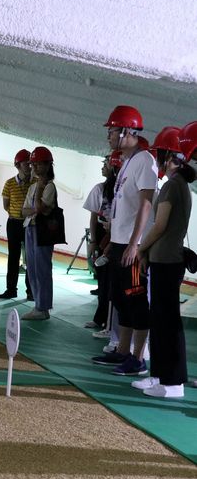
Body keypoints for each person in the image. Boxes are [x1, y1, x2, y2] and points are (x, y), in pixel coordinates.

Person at [91, 106, 157, 376]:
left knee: (136, 300)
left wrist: (134, 243)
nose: (109, 135)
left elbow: (145, 204)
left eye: (112, 130)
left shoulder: (144, 161)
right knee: (120, 299)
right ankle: (122, 351)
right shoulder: (128, 163)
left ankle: (138, 358)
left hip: (133, 246)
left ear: (128, 131)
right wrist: (113, 242)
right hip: (120, 243)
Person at [133, 127, 193, 398]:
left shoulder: (172, 185)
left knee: (166, 322)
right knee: (162, 321)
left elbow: (159, 226)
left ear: (168, 156)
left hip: (166, 262)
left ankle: (171, 382)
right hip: (166, 260)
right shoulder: (180, 185)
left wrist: (140, 248)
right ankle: (162, 376)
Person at [82, 151, 121, 330]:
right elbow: (93, 217)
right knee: (103, 280)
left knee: (114, 282)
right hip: (103, 237)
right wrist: (93, 241)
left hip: (118, 237)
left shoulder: (122, 190)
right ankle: (101, 318)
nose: (103, 167)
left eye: (106, 163)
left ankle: (111, 322)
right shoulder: (100, 189)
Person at [20, 146, 58, 320]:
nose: (34, 167)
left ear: (48, 165)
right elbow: (24, 211)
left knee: (42, 268)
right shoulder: (33, 186)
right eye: (32, 164)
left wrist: (37, 202)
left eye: (38, 164)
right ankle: (38, 304)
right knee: (32, 269)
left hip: (42, 231)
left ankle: (43, 307)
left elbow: (39, 208)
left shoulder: (49, 187)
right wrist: (35, 209)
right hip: (30, 228)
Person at [0, 150, 33, 299]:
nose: (29, 166)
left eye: (30, 163)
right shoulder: (9, 183)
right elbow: (6, 205)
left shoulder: (36, 183)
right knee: (13, 257)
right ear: (18, 165)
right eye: (26, 163)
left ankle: (31, 291)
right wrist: (17, 213)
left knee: (30, 258)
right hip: (13, 223)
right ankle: (11, 289)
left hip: (30, 224)